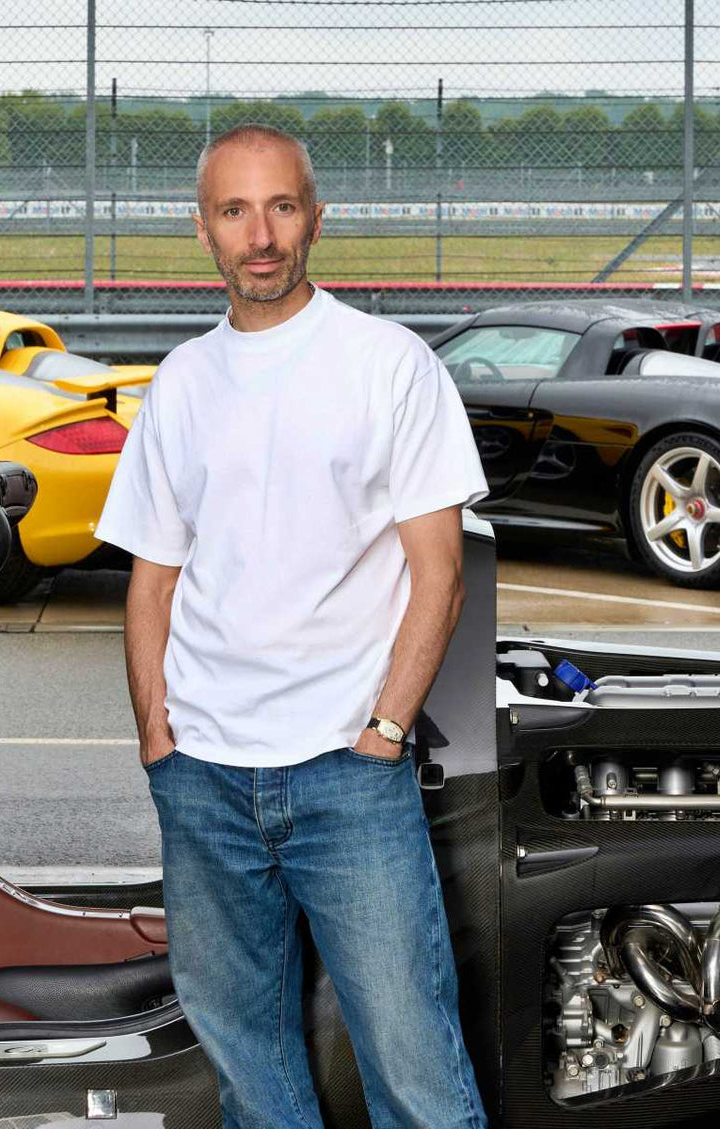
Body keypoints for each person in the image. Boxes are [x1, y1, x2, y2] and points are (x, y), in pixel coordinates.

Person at [94, 123, 490, 1129]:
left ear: (315, 215)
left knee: (413, 1066)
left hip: (346, 774)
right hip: (204, 781)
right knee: (248, 1067)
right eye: (235, 210)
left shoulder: (388, 365)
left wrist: (385, 732)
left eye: (280, 206)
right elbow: (151, 577)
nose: (259, 234)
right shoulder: (180, 382)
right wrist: (158, 740)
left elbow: (436, 574)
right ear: (203, 230)